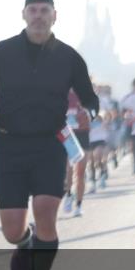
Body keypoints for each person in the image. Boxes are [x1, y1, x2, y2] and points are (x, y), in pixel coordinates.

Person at [0, 0, 98, 270]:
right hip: (9, 145)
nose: (39, 16)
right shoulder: (4, 51)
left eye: (44, 10)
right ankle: (24, 243)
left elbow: (90, 98)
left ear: (55, 16)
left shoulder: (69, 56)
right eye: (33, 10)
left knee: (45, 213)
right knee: (12, 230)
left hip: (50, 145)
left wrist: (90, 114)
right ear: (24, 15)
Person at [61, 89, 90, 217]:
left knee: (81, 172)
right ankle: (69, 194)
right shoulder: (61, 93)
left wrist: (89, 115)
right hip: (67, 135)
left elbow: (95, 112)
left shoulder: (86, 94)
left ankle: (79, 205)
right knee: (69, 169)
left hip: (83, 135)